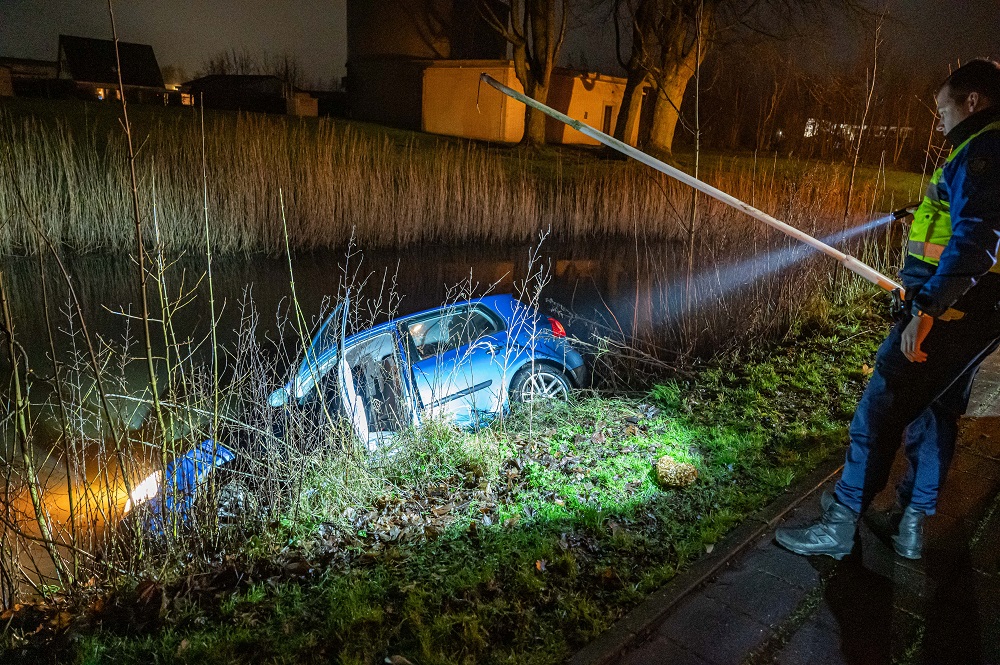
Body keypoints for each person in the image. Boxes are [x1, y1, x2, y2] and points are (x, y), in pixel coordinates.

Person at [776, 58, 1000, 561]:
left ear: (972, 102)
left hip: (951, 308)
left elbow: (977, 242)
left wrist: (926, 309)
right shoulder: (986, 148)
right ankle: (911, 525)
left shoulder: (983, 149)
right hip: (976, 309)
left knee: (879, 410)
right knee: (936, 408)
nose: (940, 122)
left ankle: (839, 525)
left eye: (944, 111)